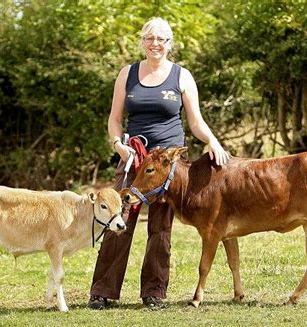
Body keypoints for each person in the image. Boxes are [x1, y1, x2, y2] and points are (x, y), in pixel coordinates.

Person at [88, 17, 229, 309]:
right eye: (150, 38)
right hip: (134, 157)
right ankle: (102, 291)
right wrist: (118, 146)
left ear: (170, 44)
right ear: (142, 42)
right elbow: (114, 119)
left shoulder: (181, 76)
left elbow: (196, 121)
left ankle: (154, 292)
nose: (155, 44)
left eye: (161, 39)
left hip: (167, 163)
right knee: (119, 218)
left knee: (160, 227)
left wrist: (212, 140)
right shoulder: (127, 74)